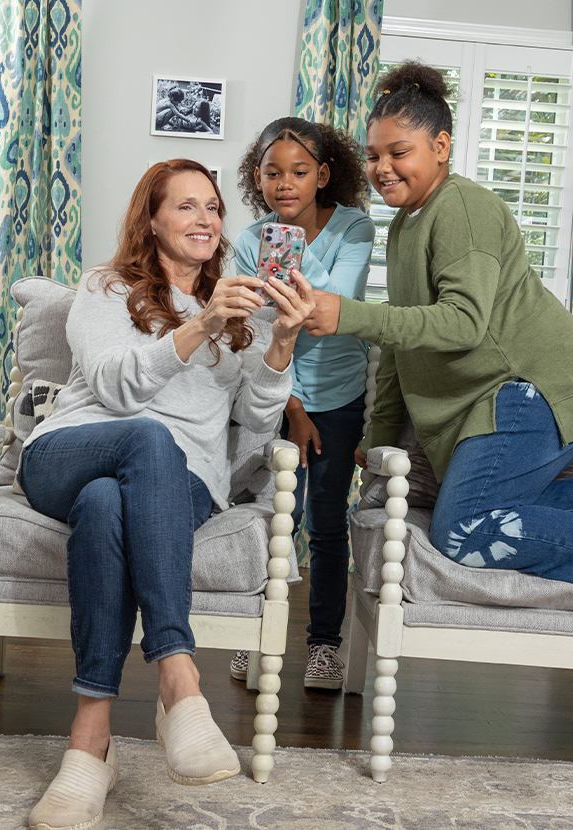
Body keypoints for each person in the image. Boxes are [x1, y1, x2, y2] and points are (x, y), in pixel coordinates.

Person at [303, 62, 573, 662]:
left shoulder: (462, 208)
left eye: (399, 152)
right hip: (495, 400)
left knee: (463, 530)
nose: (381, 169)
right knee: (481, 517)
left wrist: (345, 314)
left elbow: (462, 322)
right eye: (372, 156)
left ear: (441, 146)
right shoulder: (402, 226)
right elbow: (403, 341)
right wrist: (376, 438)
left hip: (536, 387)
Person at [20, 159, 314, 830]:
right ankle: (178, 676)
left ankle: (89, 742)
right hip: (72, 450)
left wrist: (283, 342)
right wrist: (201, 323)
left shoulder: (245, 310)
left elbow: (256, 427)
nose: (206, 218)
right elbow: (119, 391)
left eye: (213, 207)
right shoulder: (105, 289)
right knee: (148, 437)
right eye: (186, 206)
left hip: (176, 486)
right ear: (151, 220)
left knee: (105, 505)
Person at [229, 116, 375, 689]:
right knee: (264, 517)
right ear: (256, 179)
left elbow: (332, 311)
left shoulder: (355, 228)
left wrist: (282, 278)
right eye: (271, 173)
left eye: (298, 171)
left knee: (326, 521)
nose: (284, 184)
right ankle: (251, 634)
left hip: (339, 398)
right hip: (271, 397)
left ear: (324, 174)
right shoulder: (247, 241)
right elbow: (256, 333)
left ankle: (322, 646)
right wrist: (291, 409)